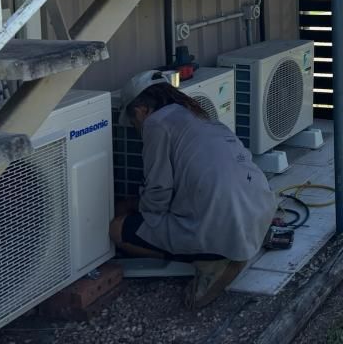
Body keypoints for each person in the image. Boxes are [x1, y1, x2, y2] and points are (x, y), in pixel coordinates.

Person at [109, 70, 278, 309]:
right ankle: (235, 248)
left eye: (133, 122)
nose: (136, 129)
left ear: (141, 110)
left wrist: (132, 207)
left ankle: (211, 262)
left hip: (223, 227)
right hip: (258, 212)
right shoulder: (201, 116)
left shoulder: (155, 124)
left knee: (117, 230)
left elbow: (158, 193)